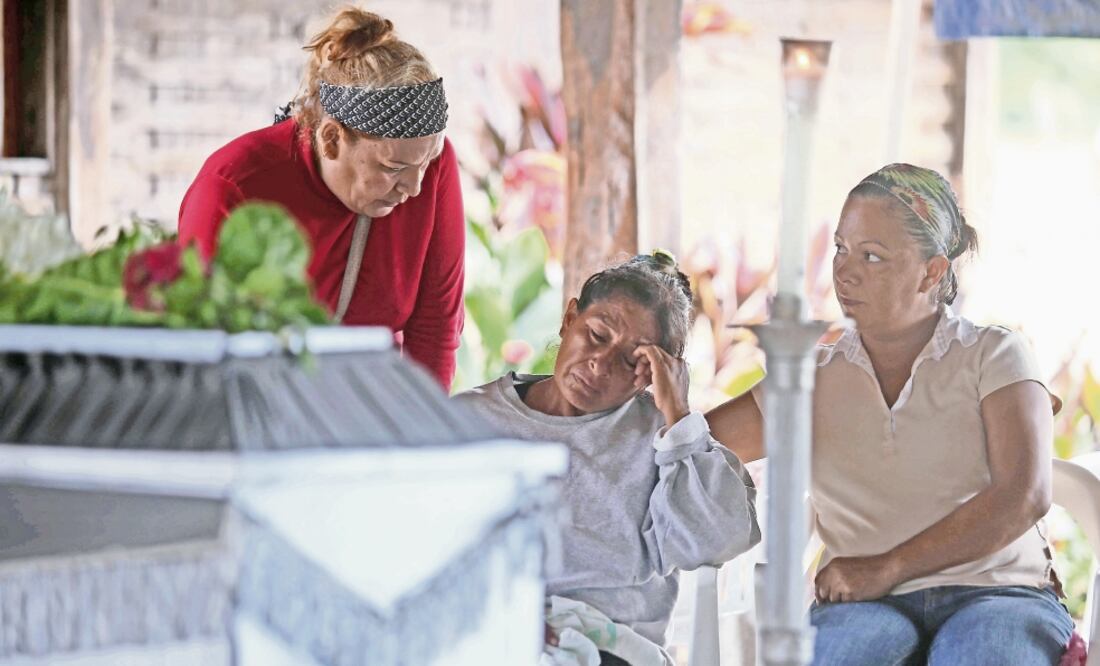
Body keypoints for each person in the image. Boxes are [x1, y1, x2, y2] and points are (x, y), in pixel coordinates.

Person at [707, 163, 1074, 664]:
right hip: (864, 605)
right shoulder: (808, 378)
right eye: (841, 249)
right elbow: (698, 445)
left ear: (932, 271)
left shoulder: (994, 354)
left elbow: (1024, 496)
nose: (845, 271)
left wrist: (887, 567)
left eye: (872, 255)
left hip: (998, 595)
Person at [454, 253, 760, 665]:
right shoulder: (467, 420)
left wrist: (679, 417)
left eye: (633, 359)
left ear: (655, 373)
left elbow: (718, 539)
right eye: (597, 334)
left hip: (611, 648)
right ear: (569, 319)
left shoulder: (665, 441)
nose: (601, 363)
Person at [178, 7, 463, 389]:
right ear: (331, 139)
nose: (414, 187)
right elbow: (202, 343)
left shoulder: (430, 165)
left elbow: (436, 325)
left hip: (374, 398)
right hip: (263, 397)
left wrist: (424, 421)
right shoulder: (233, 187)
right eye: (392, 168)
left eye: (426, 162)